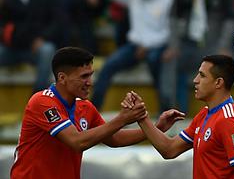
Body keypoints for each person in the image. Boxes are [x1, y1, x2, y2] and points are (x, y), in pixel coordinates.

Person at [10, 47, 184, 179]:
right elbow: (77, 141)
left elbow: (114, 139)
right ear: (62, 78)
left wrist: (156, 128)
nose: (90, 82)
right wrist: (123, 119)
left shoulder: (85, 107)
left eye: (91, 75)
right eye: (84, 76)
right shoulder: (42, 102)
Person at [124, 55, 234, 179]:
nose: (195, 80)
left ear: (218, 83)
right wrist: (141, 117)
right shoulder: (204, 115)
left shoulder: (230, 120)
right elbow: (169, 149)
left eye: (202, 75)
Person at [91, 0, 174, 113]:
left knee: (156, 63)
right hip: (134, 46)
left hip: (158, 46)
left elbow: (171, 29)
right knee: (108, 65)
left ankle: (166, 111)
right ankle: (93, 110)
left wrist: (146, 46)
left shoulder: (168, 2)